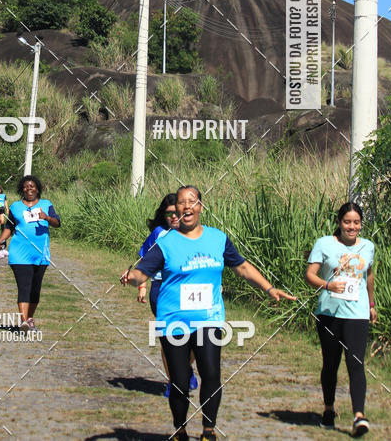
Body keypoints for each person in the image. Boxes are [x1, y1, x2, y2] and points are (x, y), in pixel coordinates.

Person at [121, 185, 295, 441]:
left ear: (201, 207)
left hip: (209, 319)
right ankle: (180, 429)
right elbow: (141, 272)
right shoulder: (166, 243)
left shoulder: (218, 239)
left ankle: (208, 431)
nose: (187, 206)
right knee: (179, 381)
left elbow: (242, 267)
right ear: (176, 210)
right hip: (174, 322)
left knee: (211, 374)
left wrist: (269, 288)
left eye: (192, 201)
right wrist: (132, 278)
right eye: (182, 202)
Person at [305, 201, 376, 437]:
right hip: (329, 313)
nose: (352, 227)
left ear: (361, 224)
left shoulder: (368, 246)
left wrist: (372, 304)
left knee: (356, 363)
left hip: (358, 314)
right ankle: (328, 408)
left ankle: (359, 416)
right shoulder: (324, 244)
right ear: (339, 222)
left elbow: (368, 275)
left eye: (356, 222)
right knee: (331, 363)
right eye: (347, 222)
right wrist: (328, 285)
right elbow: (310, 275)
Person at [134, 193, 197, 398]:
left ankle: (185, 370)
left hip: (189, 289)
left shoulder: (195, 234)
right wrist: (142, 286)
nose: (173, 217)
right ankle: (174, 383)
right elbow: (144, 261)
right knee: (168, 338)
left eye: (176, 212)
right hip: (161, 288)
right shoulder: (159, 234)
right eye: (168, 213)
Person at [0, 175, 60, 330]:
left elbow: (58, 222)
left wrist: (47, 217)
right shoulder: (16, 207)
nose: (29, 189)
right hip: (19, 252)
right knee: (24, 287)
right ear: (21, 189)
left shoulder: (46, 204)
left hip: (40, 254)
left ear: (37, 189)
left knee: (35, 289)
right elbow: (9, 227)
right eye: (26, 187)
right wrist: (1, 240)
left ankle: (30, 318)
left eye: (32, 186)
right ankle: (24, 321)